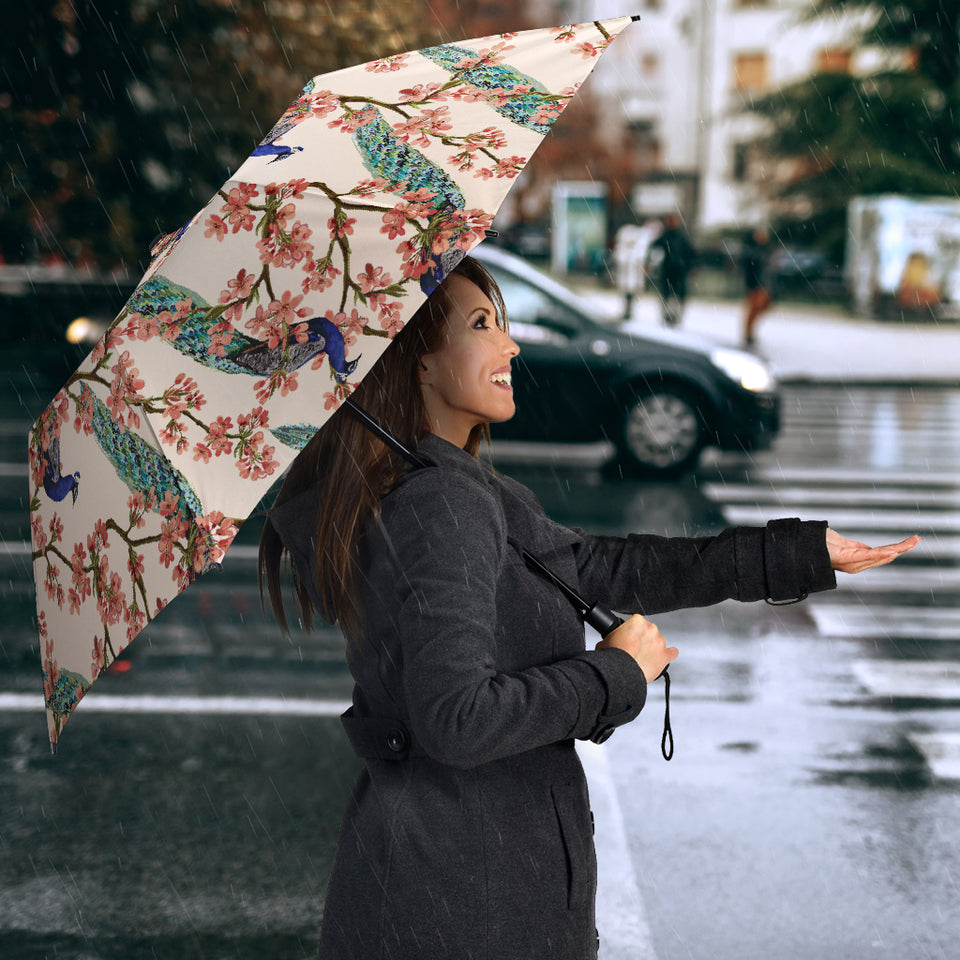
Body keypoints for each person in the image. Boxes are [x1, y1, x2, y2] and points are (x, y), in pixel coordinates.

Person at [259, 257, 919, 960]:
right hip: (466, 902)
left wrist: (795, 554)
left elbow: (602, 568)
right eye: (482, 325)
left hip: (454, 882)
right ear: (417, 363)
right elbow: (457, 720)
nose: (510, 345)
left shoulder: (449, 487)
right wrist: (613, 673)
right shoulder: (439, 503)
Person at [648, 213, 695, 327]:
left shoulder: (681, 237)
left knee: (677, 295)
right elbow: (654, 249)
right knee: (667, 294)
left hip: (679, 271)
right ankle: (667, 315)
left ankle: (675, 316)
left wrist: (690, 267)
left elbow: (690, 253)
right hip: (668, 270)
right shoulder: (665, 236)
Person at [741, 226, 773, 347]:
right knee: (754, 308)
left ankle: (750, 331)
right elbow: (750, 265)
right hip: (755, 284)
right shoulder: (751, 250)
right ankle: (748, 333)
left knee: (762, 306)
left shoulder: (763, 249)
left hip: (763, 283)